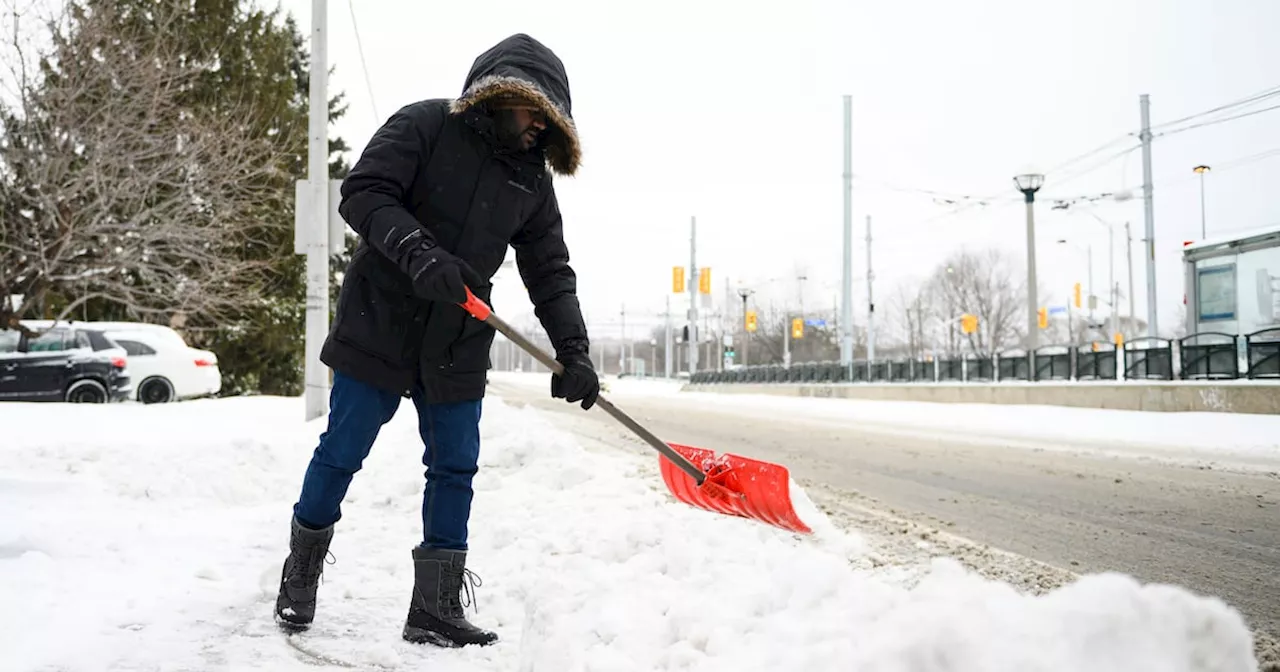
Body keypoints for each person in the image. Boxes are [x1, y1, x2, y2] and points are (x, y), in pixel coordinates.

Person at [274, 33, 600, 649]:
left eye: (550, 121)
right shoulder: (425, 124)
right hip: (381, 318)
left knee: (454, 465)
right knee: (343, 449)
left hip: (456, 335)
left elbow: (550, 271)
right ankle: (301, 573)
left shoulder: (532, 182)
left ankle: (436, 608)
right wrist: (419, 253)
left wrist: (574, 351)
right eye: (534, 113)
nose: (539, 129)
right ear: (504, 98)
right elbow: (363, 192)